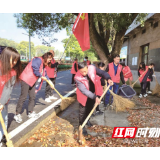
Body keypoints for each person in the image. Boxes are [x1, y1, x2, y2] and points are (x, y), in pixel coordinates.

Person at [14, 52, 54, 123]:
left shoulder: (44, 65)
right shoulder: (38, 60)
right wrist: (41, 76)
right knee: (23, 96)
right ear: (46, 57)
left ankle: (30, 112)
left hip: (32, 81)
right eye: (49, 59)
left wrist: (50, 82)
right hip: (26, 79)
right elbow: (35, 70)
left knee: (32, 96)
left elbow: (45, 74)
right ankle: (17, 114)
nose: (49, 61)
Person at [74, 62, 113, 135]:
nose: (84, 73)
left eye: (85, 71)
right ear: (79, 70)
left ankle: (87, 120)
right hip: (84, 96)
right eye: (82, 72)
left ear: (87, 67)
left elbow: (102, 73)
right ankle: (81, 126)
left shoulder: (92, 68)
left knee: (90, 109)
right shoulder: (77, 77)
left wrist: (108, 78)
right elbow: (84, 91)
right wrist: (95, 97)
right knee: (82, 112)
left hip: (93, 93)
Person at [0, 47, 21, 147]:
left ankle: (1, 136)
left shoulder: (12, 73)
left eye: (16, 61)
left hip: (2, 100)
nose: (14, 63)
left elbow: (8, 89)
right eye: (13, 60)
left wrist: (2, 103)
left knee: (3, 119)